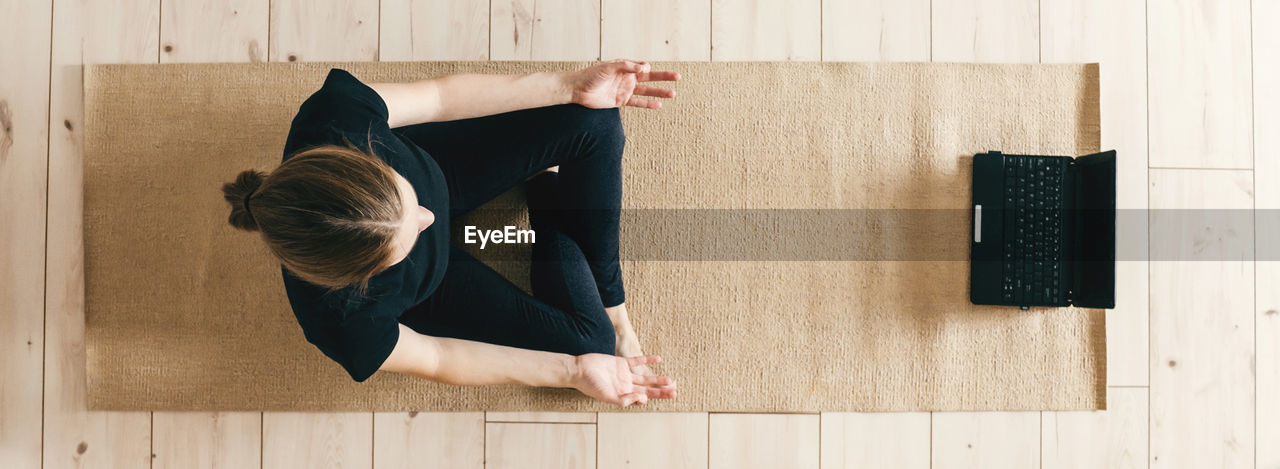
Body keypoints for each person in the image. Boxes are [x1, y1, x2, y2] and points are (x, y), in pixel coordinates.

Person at [221, 60, 680, 407]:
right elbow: (439, 357)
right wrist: (573, 371)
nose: (428, 219)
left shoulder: (336, 117)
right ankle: (546, 190)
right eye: (402, 244)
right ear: (359, 277)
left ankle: (610, 298)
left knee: (594, 118)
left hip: (443, 165)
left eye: (406, 200)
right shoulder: (342, 323)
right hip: (434, 288)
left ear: (366, 160)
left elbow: (441, 98)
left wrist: (568, 85)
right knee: (593, 350)